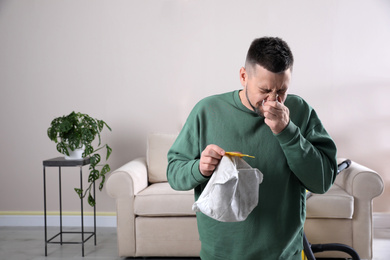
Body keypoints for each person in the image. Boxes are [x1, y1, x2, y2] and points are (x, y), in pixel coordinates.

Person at [167, 37, 337, 260]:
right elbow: (173, 173)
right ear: (243, 76)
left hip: (282, 254)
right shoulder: (207, 111)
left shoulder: (300, 111)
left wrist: (287, 132)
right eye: (265, 90)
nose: (273, 101)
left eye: (281, 92)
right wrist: (199, 168)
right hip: (220, 254)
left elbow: (322, 181)